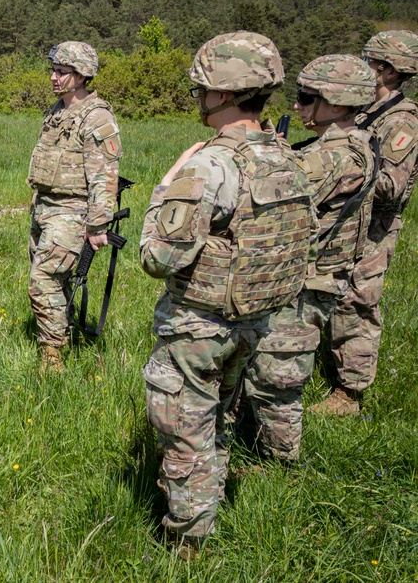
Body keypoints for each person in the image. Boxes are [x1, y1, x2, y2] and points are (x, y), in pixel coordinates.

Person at [140, 32, 313, 555]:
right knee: (216, 423)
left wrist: (164, 187)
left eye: (201, 89)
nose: (197, 97)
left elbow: (157, 258)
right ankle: (211, 501)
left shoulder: (208, 165)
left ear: (219, 94)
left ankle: (188, 544)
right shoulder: (285, 158)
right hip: (255, 322)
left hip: (199, 328)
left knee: (186, 434)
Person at [241, 55, 377, 461]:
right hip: (305, 277)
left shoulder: (339, 155)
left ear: (336, 104)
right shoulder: (345, 144)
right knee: (262, 367)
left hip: (308, 282)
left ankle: (277, 464)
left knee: (277, 377)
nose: (297, 107)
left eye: (306, 98)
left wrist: (261, 148)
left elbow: (278, 191)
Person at [316, 31, 418, 415]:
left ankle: (350, 393)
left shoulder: (402, 121)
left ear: (389, 71)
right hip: (344, 219)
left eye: (368, 63)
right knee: (330, 292)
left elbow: (392, 185)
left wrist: (344, 169)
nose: (360, 69)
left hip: (374, 227)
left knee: (357, 301)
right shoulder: (362, 112)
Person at [27, 41, 122, 372]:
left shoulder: (96, 117)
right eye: (52, 70)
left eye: (62, 72)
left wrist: (97, 225)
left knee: (44, 279)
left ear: (82, 76)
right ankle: (62, 334)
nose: (54, 77)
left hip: (72, 211)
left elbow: (105, 176)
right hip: (45, 207)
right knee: (56, 280)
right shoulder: (57, 110)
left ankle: (52, 356)